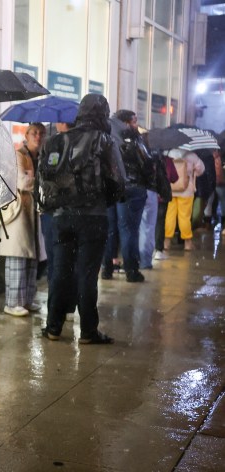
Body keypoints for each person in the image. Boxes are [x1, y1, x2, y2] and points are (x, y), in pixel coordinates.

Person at [39, 93, 124, 344]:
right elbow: (119, 181)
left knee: (60, 271)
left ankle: (53, 327)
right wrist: (103, 200)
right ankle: (87, 330)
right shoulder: (105, 141)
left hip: (61, 216)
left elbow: (44, 180)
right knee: (87, 273)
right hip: (93, 217)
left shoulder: (57, 140)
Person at [0, 123, 46, 317]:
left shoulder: (40, 157)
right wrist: (38, 180)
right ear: (26, 135)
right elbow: (21, 181)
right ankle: (12, 302)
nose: (38, 136)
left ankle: (26, 299)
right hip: (17, 212)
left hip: (32, 212)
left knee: (31, 257)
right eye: (34, 132)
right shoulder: (19, 155)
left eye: (41, 133)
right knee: (17, 257)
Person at [102, 110, 152, 282]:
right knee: (129, 229)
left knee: (110, 229)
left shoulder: (106, 134)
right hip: (132, 188)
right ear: (126, 122)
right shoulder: (133, 138)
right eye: (134, 121)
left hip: (110, 187)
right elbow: (145, 162)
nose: (136, 124)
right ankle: (131, 270)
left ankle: (107, 269)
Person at [41, 121, 77, 322]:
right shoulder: (84, 143)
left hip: (55, 211)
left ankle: (55, 314)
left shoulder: (54, 144)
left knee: (56, 264)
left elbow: (49, 176)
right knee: (70, 263)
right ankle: (69, 304)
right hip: (76, 212)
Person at [164, 148, 205, 251]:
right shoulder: (191, 155)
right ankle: (187, 243)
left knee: (170, 215)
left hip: (171, 189)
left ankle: (167, 241)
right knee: (184, 217)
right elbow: (201, 170)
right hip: (186, 191)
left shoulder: (167, 153)